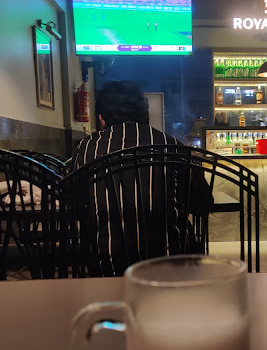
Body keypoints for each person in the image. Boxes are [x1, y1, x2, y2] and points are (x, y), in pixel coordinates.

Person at [70, 80, 210, 274]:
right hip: (171, 263)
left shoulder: (86, 149)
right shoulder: (173, 146)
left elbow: (75, 205)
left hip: (105, 266)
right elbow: (202, 205)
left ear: (101, 119)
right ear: (146, 115)